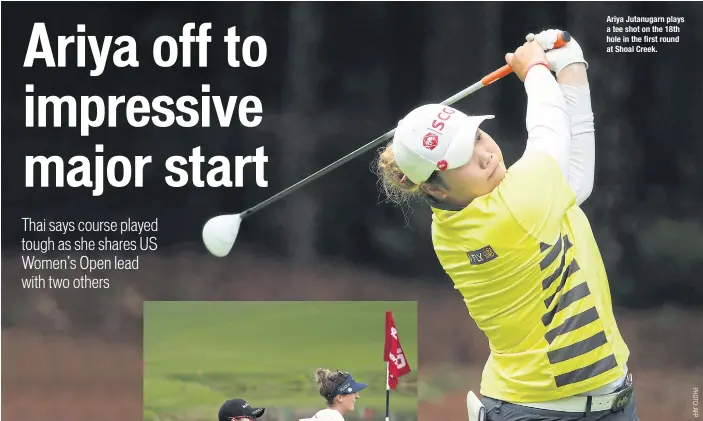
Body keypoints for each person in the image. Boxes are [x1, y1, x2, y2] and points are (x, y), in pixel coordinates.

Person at [374, 29, 639, 421]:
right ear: (436, 188)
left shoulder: (468, 218)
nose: (485, 154)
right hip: (542, 413)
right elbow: (550, 130)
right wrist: (534, 69)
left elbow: (575, 177)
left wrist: (569, 64)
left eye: (478, 135)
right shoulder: (513, 209)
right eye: (465, 155)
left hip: (599, 403)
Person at [299, 368, 369, 421]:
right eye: (353, 392)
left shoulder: (323, 415)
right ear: (340, 397)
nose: (357, 396)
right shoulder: (334, 418)